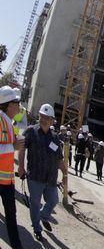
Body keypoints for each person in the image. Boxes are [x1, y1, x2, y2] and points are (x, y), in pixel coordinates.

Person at [18, 103, 67, 242]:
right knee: (35, 202)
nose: (43, 119)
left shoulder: (55, 137)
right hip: (35, 176)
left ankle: (44, 216)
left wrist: (64, 174)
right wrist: (20, 167)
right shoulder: (30, 131)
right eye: (42, 116)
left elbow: (59, 158)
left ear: (52, 120)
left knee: (53, 201)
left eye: (47, 117)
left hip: (51, 178)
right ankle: (37, 228)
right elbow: (22, 150)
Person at [0, 87, 24, 249]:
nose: (19, 106)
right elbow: (8, 147)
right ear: (9, 105)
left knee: (11, 216)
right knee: (10, 216)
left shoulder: (8, 122)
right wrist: (13, 146)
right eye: (17, 102)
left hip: (7, 180)